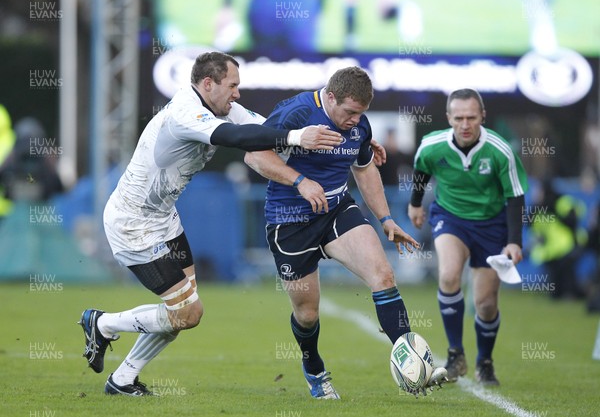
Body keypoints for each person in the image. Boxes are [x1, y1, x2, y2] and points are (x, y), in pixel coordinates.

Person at [78, 51, 344, 396]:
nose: (237, 94)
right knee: (188, 312)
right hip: (133, 224)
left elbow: (264, 130)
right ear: (208, 84)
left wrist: (348, 146)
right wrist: (295, 138)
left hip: (164, 219)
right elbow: (239, 139)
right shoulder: (185, 113)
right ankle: (102, 323)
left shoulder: (221, 106)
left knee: (180, 312)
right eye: (232, 85)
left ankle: (123, 379)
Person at [244, 66, 447, 399]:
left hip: (337, 210)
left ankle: (411, 362)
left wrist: (385, 219)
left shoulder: (358, 125)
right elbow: (254, 154)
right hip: (289, 221)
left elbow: (364, 168)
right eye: (350, 112)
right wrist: (300, 180)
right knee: (307, 315)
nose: (355, 120)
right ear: (331, 96)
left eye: (361, 114)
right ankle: (314, 368)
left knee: (383, 275)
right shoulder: (296, 113)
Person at [407, 88, 528, 386]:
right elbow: (421, 171)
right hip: (450, 218)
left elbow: (515, 197)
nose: (465, 124)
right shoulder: (432, 146)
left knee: (486, 304)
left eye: (471, 117)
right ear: (448, 118)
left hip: (492, 225)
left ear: (482, 116)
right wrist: (415, 204)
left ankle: (484, 362)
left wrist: (514, 241)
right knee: (448, 276)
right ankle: (455, 353)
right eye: (458, 117)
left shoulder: (500, 151)